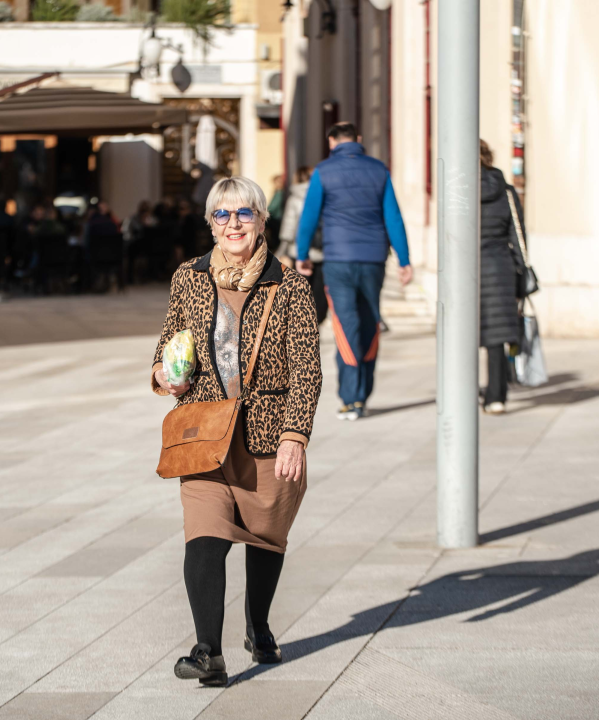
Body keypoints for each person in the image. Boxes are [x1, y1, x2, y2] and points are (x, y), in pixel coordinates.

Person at [152, 176, 321, 687]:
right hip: (204, 433)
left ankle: (258, 625)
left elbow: (307, 368)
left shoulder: (288, 285)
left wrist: (295, 435)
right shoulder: (189, 277)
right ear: (210, 223)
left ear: (261, 220)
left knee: (266, 536)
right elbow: (168, 343)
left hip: (268, 435)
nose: (233, 224)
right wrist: (164, 374)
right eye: (222, 215)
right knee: (204, 536)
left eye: (244, 213)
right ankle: (208, 651)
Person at [295, 122, 413, 421]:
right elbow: (393, 217)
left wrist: (302, 254)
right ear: (358, 139)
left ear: (331, 141)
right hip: (373, 259)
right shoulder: (378, 170)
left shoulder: (323, 171)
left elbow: (309, 216)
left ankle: (350, 399)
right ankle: (363, 394)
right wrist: (404, 259)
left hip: (338, 261)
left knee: (345, 324)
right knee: (370, 321)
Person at [479, 140, 526, 414]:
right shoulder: (505, 191)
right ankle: (496, 396)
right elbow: (518, 234)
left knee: (464, 333)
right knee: (496, 335)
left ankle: (463, 390)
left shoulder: (458, 191)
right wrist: (521, 269)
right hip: (500, 267)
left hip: (468, 269)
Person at [278, 166, 327, 323]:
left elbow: (289, 227)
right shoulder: (322, 196)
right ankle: (317, 321)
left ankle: (302, 322)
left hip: (298, 252)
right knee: (319, 293)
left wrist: (282, 250)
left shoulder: (294, 199)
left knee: (300, 293)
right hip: (321, 252)